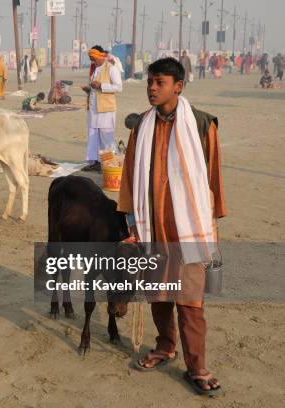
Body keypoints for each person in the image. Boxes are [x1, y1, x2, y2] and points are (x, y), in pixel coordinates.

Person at [118, 57, 226, 397]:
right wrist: (132, 223)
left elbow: (213, 177)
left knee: (190, 301)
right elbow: (129, 180)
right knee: (159, 296)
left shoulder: (202, 125)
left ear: (178, 86)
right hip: (153, 229)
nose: (152, 88)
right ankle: (165, 347)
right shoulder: (140, 127)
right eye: (150, 81)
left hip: (189, 229)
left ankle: (197, 367)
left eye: (160, 82)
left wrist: (211, 223)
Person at [81, 46, 122, 172]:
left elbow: (118, 87)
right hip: (93, 109)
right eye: (90, 59)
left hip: (106, 110)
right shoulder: (94, 69)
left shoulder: (111, 68)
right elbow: (95, 88)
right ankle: (95, 162)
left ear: (100, 56)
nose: (92, 61)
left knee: (106, 138)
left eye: (93, 58)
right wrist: (89, 89)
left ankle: (107, 163)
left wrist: (101, 86)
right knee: (93, 136)